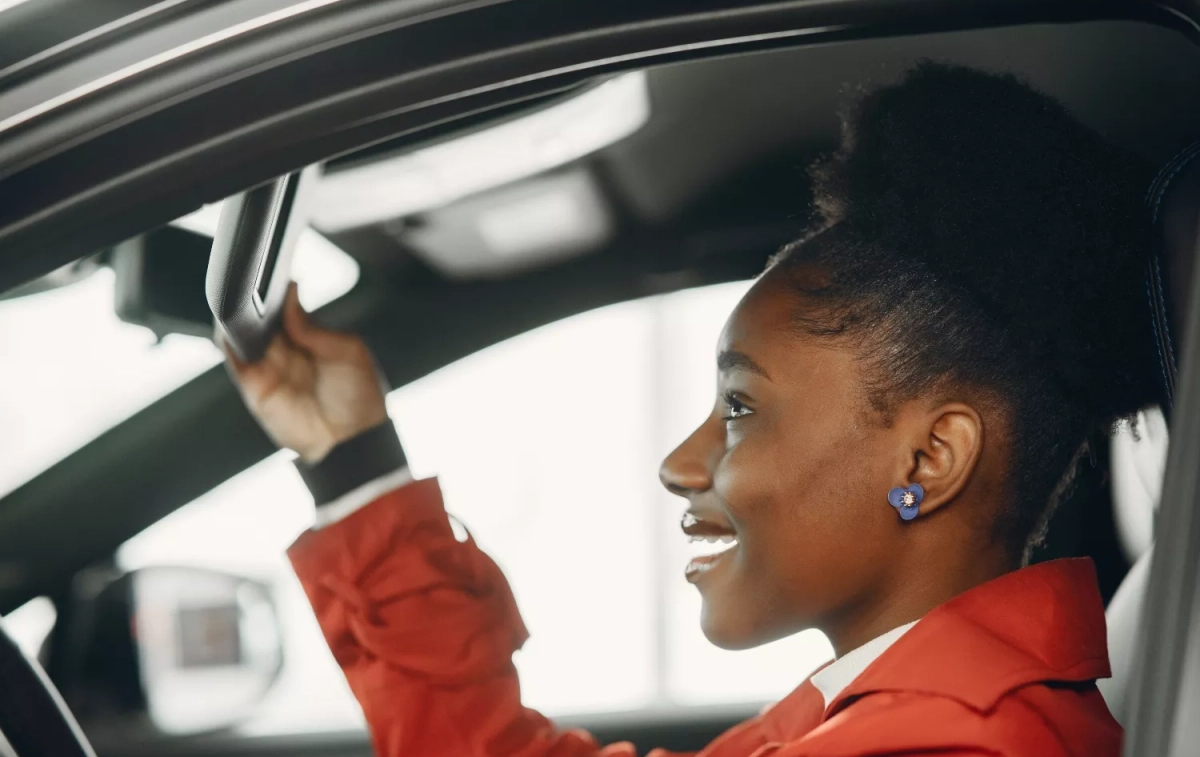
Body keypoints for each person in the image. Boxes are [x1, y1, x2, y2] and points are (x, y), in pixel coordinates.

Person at [224, 62, 1160, 757]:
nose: (680, 459)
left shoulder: (939, 744)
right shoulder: (889, 716)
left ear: (928, 461)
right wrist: (349, 455)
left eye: (741, 405)